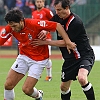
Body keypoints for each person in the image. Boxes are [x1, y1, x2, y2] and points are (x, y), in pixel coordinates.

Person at [0, 8, 76, 100]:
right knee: (8, 85)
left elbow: (57, 25)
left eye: (14, 26)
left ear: (21, 21)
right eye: (11, 26)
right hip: (23, 56)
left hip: (39, 59)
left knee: (27, 89)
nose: (12, 29)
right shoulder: (10, 28)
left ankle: (39, 96)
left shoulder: (34, 24)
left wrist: (67, 42)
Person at [31, 0, 95, 100]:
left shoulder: (75, 22)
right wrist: (45, 30)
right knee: (64, 88)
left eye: (59, 10)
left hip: (84, 55)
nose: (57, 12)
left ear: (67, 8)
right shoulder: (57, 17)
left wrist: (45, 42)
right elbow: (49, 24)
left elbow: (66, 43)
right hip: (70, 59)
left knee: (82, 78)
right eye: (56, 10)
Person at [32, 0, 54, 81]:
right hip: (37, 39)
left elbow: (54, 21)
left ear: (43, 3)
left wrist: (47, 31)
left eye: (41, 2)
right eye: (37, 2)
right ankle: (38, 73)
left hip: (46, 38)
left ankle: (49, 76)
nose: (39, 3)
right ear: (35, 3)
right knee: (36, 57)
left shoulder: (47, 12)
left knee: (47, 57)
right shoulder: (33, 13)